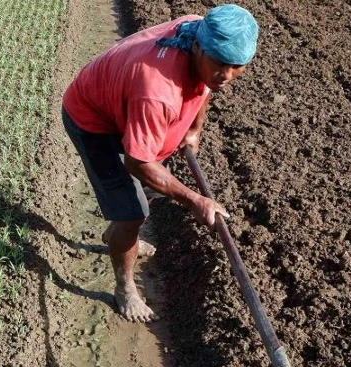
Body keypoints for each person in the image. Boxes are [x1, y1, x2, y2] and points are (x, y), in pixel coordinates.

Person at [62, 4, 259, 323]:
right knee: (132, 212)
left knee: (147, 193)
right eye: (220, 63)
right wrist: (195, 199)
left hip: (122, 105)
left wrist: (194, 129)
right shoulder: (158, 93)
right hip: (91, 120)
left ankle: (120, 237)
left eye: (237, 66)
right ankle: (124, 287)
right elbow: (139, 163)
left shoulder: (199, 31)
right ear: (198, 47)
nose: (227, 75)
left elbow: (207, 86)